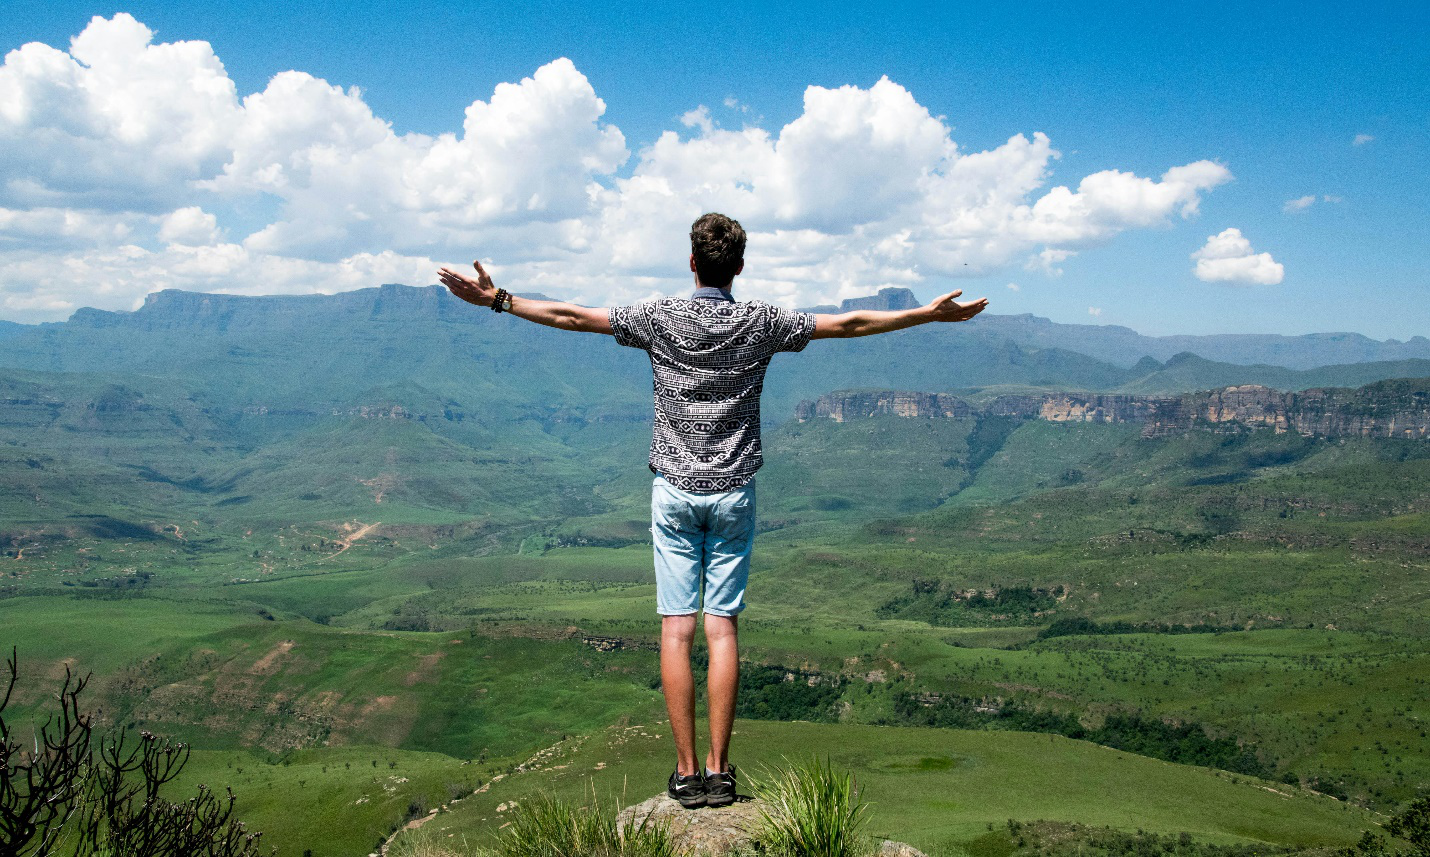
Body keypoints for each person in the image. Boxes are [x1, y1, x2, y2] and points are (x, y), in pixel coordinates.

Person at [437, 213, 988, 809]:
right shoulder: (761, 321)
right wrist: (928, 314)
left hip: (673, 492)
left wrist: (498, 300)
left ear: (693, 262)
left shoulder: (659, 317)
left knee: (677, 630)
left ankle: (685, 773)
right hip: (733, 494)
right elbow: (849, 323)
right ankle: (722, 773)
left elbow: (572, 316)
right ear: (740, 267)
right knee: (721, 628)